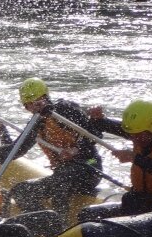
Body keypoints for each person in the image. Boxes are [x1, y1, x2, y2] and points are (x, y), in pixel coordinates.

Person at [7, 78, 103, 222]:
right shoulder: (37, 122)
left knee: (63, 179)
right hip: (62, 174)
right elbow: (16, 150)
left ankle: (62, 227)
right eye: (29, 106)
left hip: (89, 167)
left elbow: (95, 134)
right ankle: (47, 223)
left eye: (37, 102)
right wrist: (0, 127)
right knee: (20, 191)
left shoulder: (65, 110)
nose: (34, 108)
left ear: (46, 98)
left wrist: (75, 150)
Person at [79, 100, 152, 220]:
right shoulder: (139, 132)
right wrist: (98, 119)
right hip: (138, 199)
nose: (135, 139)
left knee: (134, 202)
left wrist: (134, 158)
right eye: (131, 135)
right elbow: (104, 125)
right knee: (87, 214)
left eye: (139, 135)